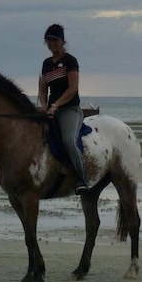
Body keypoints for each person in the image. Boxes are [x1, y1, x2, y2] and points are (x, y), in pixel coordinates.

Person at [38, 24, 89, 195]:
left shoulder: (70, 61)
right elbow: (43, 90)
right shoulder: (46, 64)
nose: (51, 43)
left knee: (68, 140)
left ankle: (82, 179)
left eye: (54, 40)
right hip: (51, 110)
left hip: (69, 109)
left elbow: (73, 88)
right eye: (48, 40)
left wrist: (56, 105)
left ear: (62, 41)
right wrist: (44, 106)